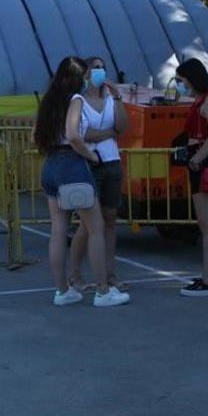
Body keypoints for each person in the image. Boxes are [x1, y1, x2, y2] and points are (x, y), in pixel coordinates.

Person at [34, 56, 131, 308]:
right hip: (72, 164)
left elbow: (36, 135)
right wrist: (91, 156)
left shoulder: (48, 102)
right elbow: (74, 136)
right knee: (96, 228)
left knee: (57, 230)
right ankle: (102, 290)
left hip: (51, 164)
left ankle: (62, 290)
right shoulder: (75, 100)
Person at [68, 56, 129, 292]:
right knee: (87, 223)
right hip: (89, 163)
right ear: (86, 74)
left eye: (103, 68)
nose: (100, 72)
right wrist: (108, 133)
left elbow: (121, 128)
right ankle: (75, 274)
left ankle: (110, 273)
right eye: (95, 68)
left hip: (112, 162)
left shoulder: (111, 99)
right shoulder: (79, 101)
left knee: (110, 219)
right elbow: (84, 134)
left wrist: (118, 98)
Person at [175, 58, 208, 296]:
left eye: (182, 80)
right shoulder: (203, 100)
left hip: (204, 160)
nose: (180, 85)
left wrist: (197, 158)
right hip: (201, 158)